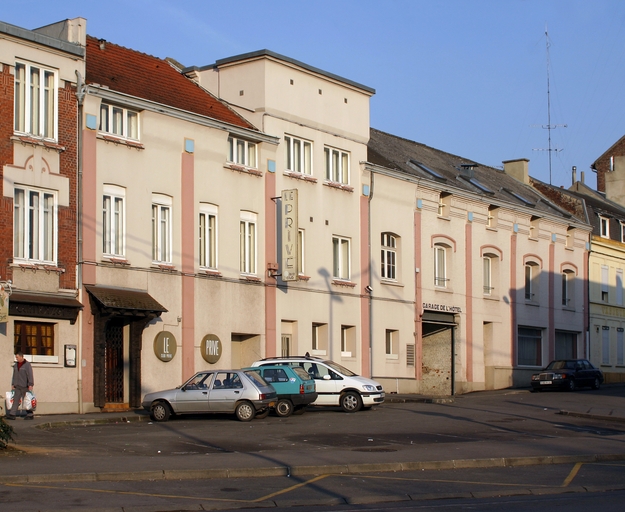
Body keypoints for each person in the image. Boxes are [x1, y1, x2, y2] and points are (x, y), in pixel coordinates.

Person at [6, 352, 34, 420]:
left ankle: (30, 414)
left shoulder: (27, 365)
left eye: (17, 357)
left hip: (25, 386)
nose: (16, 358)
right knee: (16, 400)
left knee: (26, 400)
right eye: (16, 357)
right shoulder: (16, 365)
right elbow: (14, 375)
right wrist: (13, 384)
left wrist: (30, 384)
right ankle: (12, 414)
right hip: (17, 385)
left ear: (21, 357)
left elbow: (30, 375)